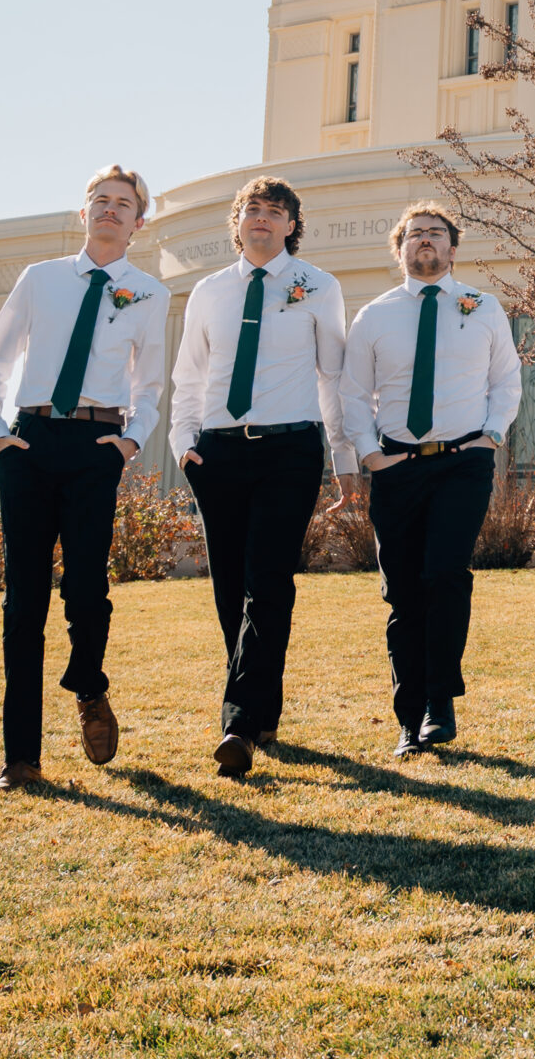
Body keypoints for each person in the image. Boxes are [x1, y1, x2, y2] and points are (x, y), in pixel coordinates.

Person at [171, 176, 357, 778]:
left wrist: (344, 458)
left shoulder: (318, 286)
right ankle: (262, 709)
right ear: (238, 222)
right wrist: (183, 444)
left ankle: (239, 725)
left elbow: (333, 376)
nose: (262, 217)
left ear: (290, 226)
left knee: (268, 580)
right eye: (252, 208)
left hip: (289, 451)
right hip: (217, 454)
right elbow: (189, 376)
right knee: (231, 588)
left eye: (275, 211)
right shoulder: (209, 291)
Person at [0, 164, 168, 790]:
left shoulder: (148, 293)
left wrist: (128, 441)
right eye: (100, 199)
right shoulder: (40, 279)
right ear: (84, 212)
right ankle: (21, 756)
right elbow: (0, 355)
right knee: (23, 599)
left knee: (87, 588)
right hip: (29, 441)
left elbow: (150, 383)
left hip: (96, 445)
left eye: (123, 203)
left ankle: (89, 686)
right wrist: (0, 434)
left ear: (138, 222)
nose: (110, 209)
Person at [341, 205, 522, 757]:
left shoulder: (483, 307)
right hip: (396, 465)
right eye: (415, 233)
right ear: (399, 249)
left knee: (445, 574)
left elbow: (507, 379)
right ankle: (409, 718)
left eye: (435, 233)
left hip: (463, 461)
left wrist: (491, 435)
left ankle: (439, 703)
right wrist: (369, 455)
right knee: (402, 593)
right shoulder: (373, 316)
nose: (425, 239)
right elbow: (353, 393)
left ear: (452, 248)